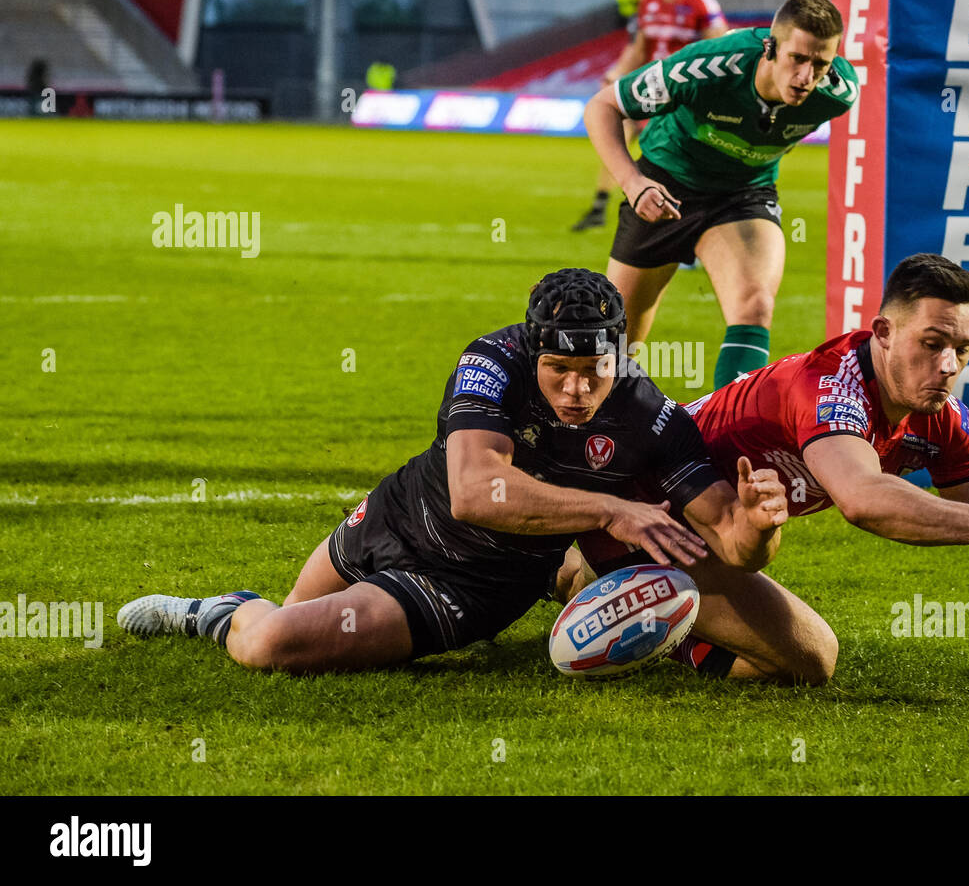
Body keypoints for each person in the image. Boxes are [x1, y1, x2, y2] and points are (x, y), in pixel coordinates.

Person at [561, 254, 969, 712]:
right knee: (814, 658)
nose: (949, 366)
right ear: (882, 333)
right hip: (643, 503)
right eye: (931, 344)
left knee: (803, 658)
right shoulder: (827, 387)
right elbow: (864, 499)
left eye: (962, 348)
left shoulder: (944, 422)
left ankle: (635, 605)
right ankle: (591, 578)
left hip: (719, 538)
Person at [116, 269, 790, 674]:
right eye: (560, 371)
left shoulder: (651, 416)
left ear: (622, 356)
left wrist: (761, 528)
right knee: (296, 612)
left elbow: (731, 538)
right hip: (400, 511)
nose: (578, 390)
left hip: (470, 585)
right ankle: (243, 604)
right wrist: (610, 510)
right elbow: (474, 490)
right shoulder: (492, 360)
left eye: (596, 372)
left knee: (271, 643)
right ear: (533, 353)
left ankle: (208, 611)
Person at [584, 0, 860, 391]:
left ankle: (729, 435)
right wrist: (633, 182)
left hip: (744, 193)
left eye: (820, 64)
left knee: (755, 304)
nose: (806, 77)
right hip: (665, 183)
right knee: (618, 339)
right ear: (770, 47)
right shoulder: (706, 67)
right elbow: (602, 107)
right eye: (797, 59)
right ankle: (597, 432)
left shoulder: (838, 92)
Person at [571, 0, 727, 232]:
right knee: (617, 133)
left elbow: (717, 52)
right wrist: (616, 72)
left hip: (684, 96)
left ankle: (689, 226)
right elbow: (639, 49)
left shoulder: (702, 4)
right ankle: (600, 205)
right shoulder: (649, 4)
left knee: (677, 160)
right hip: (652, 89)